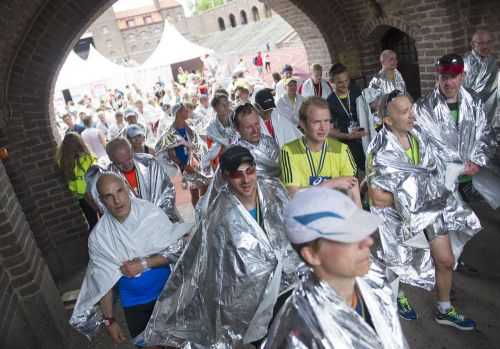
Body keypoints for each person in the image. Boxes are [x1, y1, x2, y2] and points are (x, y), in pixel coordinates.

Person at [144, 146, 301, 348]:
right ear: (225, 176)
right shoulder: (218, 214)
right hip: (253, 299)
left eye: (249, 171)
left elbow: (293, 228)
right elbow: (206, 266)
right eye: (237, 174)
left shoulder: (273, 189)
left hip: (288, 284)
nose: (246, 180)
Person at [368, 91, 479, 329]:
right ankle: (397, 296)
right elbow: (377, 198)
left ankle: (444, 308)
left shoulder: (420, 135)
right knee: (398, 263)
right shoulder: (379, 151)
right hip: (398, 218)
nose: (412, 114)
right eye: (404, 111)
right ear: (388, 120)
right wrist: (409, 201)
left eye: (412, 108)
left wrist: (459, 169)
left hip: (429, 208)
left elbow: (437, 165)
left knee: (446, 260)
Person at [264, 188, 408, 349]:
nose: (368, 242)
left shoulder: (375, 282)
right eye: (346, 236)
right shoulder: (300, 330)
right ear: (312, 255)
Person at [70, 173, 192, 348]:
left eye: (119, 191)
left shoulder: (150, 213)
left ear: (127, 189)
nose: (117, 201)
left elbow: (179, 249)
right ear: (101, 201)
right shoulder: (100, 237)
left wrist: (144, 264)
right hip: (135, 305)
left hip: (169, 294)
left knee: (181, 343)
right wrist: (110, 320)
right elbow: (104, 281)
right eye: (109, 196)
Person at [414, 53, 495, 203]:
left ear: (462, 76)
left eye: (453, 76)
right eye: (444, 77)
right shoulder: (422, 108)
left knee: (473, 219)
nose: (448, 82)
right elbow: (420, 146)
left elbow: (486, 133)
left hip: (471, 178)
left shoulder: (474, 101)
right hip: (441, 182)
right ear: (437, 77)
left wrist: (477, 161)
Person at [279, 97, 360, 205]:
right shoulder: (289, 151)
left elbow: (353, 193)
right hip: (305, 217)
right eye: (316, 122)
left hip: (337, 215)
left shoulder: (342, 149)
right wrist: (332, 183)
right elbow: (294, 196)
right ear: (302, 124)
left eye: (326, 121)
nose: (323, 128)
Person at [87, 137, 180, 222]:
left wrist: (158, 217)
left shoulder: (149, 163)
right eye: (120, 163)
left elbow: (166, 190)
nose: (127, 165)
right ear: (111, 159)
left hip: (162, 219)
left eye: (129, 159)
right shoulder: (108, 178)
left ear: (131, 150)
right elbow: (109, 209)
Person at [155, 103, 211, 208]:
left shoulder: (189, 128)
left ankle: (202, 212)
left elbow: (198, 145)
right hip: (183, 169)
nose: (188, 112)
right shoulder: (170, 133)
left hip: (195, 166)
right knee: (190, 196)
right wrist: (183, 166)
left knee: (205, 186)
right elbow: (169, 154)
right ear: (178, 113)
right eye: (185, 110)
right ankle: (196, 215)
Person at [327, 63, 366, 173]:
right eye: (340, 82)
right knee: (353, 175)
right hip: (347, 144)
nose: (345, 85)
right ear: (332, 82)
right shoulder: (330, 102)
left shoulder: (356, 91)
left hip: (364, 137)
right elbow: (329, 131)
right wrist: (349, 136)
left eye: (347, 81)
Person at [56, 132, 98, 230]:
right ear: (79, 142)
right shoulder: (86, 158)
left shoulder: (63, 161)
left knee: (91, 220)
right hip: (92, 191)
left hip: (79, 195)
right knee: (103, 215)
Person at [233, 102, 280, 178]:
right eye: (248, 127)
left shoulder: (269, 141)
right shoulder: (234, 154)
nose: (255, 131)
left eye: (257, 124)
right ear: (237, 129)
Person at [463, 29, 498, 125]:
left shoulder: (493, 61)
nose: (485, 46)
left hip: (492, 113)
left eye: (488, 42)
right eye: (481, 43)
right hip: (473, 114)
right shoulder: (465, 63)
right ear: (473, 44)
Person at [205, 93, 237, 168]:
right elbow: (213, 152)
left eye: (227, 103)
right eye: (222, 105)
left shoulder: (237, 117)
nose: (226, 107)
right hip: (223, 161)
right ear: (215, 108)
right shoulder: (211, 127)